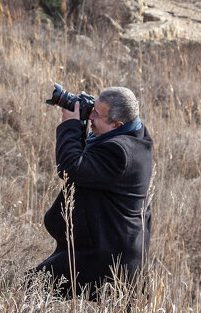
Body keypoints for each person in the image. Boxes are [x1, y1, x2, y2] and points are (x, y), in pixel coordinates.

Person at [27, 86, 153, 300]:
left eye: (96, 114)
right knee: (36, 289)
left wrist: (70, 125)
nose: (91, 115)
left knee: (32, 289)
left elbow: (71, 167)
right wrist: (85, 124)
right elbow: (93, 162)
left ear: (117, 124)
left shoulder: (121, 153)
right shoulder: (134, 133)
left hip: (109, 257)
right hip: (103, 244)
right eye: (93, 107)